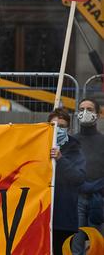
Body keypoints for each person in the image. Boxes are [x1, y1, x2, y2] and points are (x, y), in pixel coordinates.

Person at [47, 108, 85, 254]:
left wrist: (60, 160)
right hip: (42, 215)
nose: (58, 129)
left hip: (63, 217)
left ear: (68, 128)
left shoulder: (75, 149)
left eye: (61, 126)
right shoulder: (39, 144)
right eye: (54, 125)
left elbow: (79, 177)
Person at [72, 98, 104, 255]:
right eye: (81, 108)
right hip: (76, 199)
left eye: (90, 109)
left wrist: (95, 186)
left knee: (97, 246)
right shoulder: (71, 141)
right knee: (76, 245)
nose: (85, 112)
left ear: (98, 115)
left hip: (100, 199)